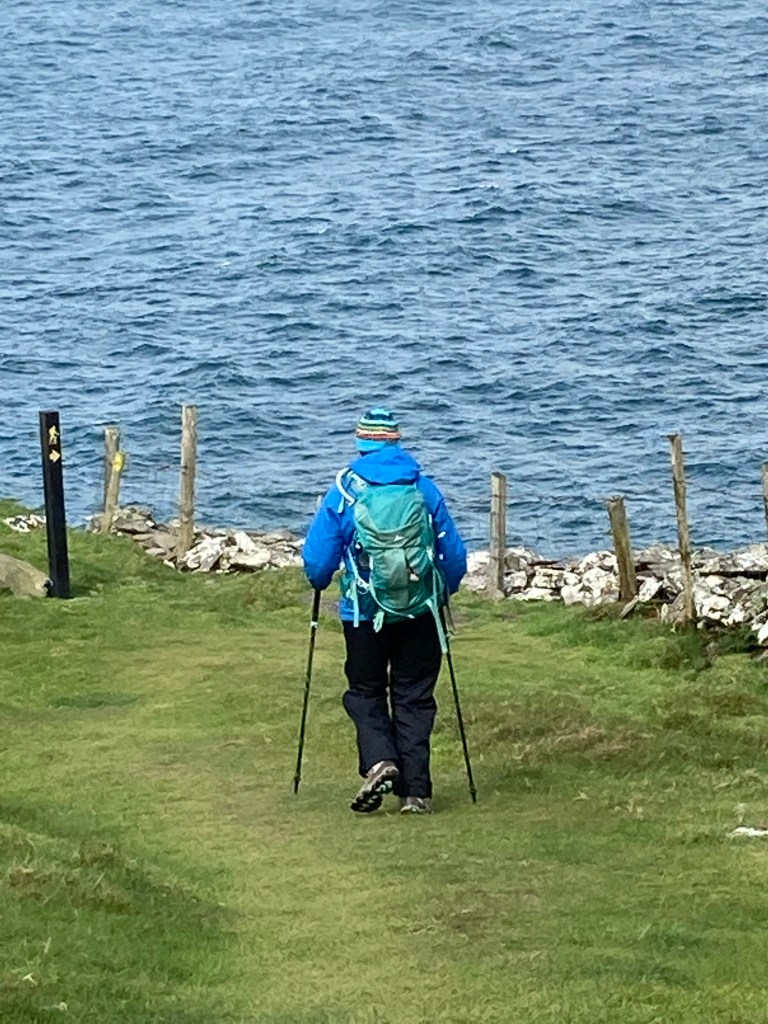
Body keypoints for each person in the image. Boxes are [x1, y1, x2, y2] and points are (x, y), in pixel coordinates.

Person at [302, 407, 467, 815]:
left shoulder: (345, 489)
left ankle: (380, 761)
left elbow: (318, 560)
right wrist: (442, 592)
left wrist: (319, 582)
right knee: (414, 696)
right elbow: (454, 556)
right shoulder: (423, 488)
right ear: (396, 441)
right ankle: (416, 793)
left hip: (362, 612)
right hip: (419, 611)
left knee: (365, 691)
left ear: (361, 443)